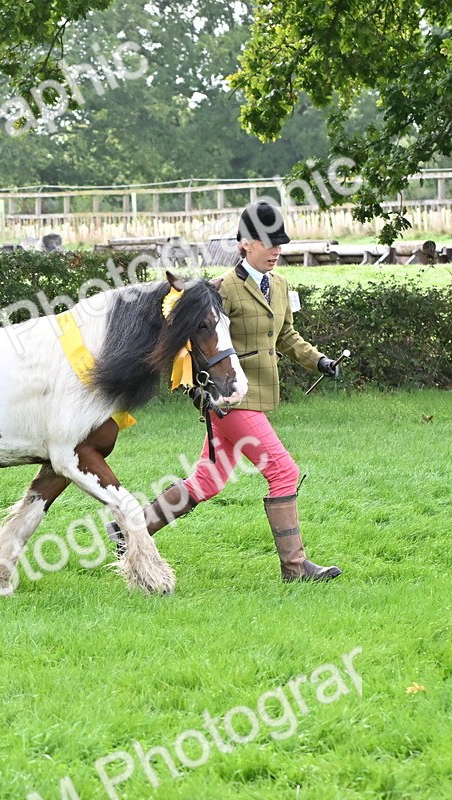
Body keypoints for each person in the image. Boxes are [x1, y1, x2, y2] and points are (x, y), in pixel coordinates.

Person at [110, 201, 343, 582]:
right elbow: (189, 344)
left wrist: (318, 361)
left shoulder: (280, 285)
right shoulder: (220, 289)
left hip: (257, 397)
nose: (276, 251)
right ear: (245, 245)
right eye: (269, 244)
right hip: (232, 400)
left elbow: (286, 336)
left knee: (208, 480)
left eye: (280, 244)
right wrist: (198, 393)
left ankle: (128, 530)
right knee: (284, 471)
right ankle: (296, 568)